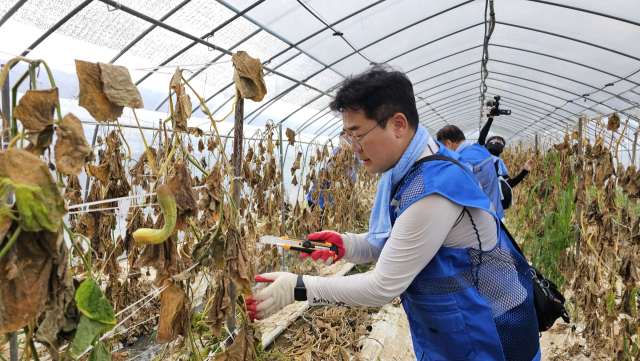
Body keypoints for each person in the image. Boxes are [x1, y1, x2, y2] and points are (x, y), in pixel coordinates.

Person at [246, 65, 541, 361]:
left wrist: (298, 288)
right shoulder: (411, 164)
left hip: (491, 339)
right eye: (346, 136)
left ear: (398, 125)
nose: (353, 148)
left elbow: (382, 286)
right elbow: (390, 240)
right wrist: (347, 245)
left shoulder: (435, 189)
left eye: (358, 134)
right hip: (455, 331)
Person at [306, 146, 357, 211]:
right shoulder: (331, 167)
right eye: (346, 160)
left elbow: (350, 183)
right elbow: (330, 181)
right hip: (316, 201)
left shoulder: (346, 169)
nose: (347, 162)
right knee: (318, 219)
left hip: (324, 203)